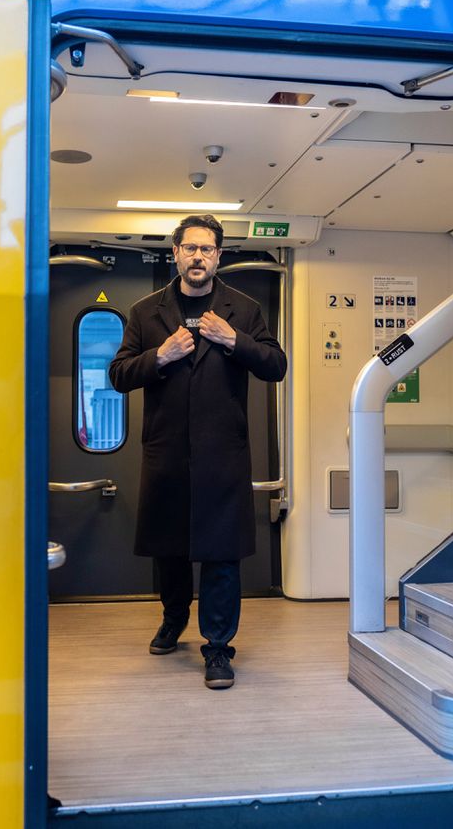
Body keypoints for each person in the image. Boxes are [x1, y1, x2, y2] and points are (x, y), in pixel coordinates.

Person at [108, 214, 287, 689]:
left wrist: (235, 341)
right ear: (175, 254)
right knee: (168, 550)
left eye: (207, 249)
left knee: (221, 556)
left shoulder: (242, 310)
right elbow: (119, 375)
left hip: (222, 458)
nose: (198, 257)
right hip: (166, 456)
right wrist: (160, 356)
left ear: (218, 256)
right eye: (190, 249)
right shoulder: (146, 312)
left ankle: (218, 649)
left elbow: (276, 365)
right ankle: (173, 618)